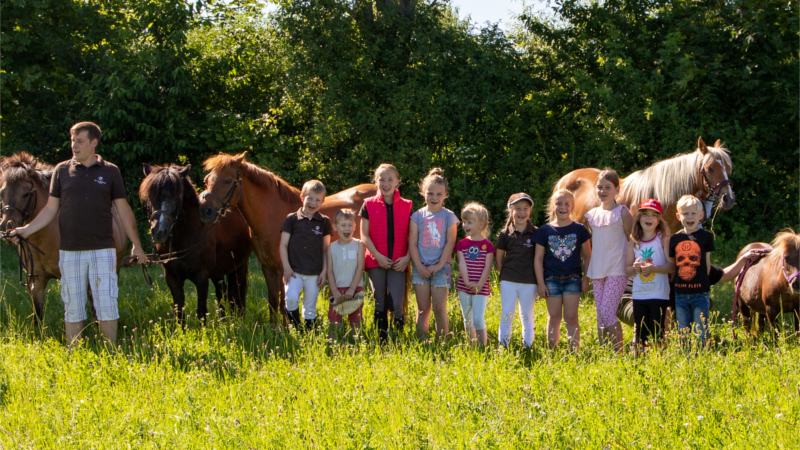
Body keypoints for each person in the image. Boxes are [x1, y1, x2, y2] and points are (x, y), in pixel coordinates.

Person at [9, 122, 146, 346]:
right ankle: (74, 353)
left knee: (106, 304)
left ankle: (110, 352)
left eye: (80, 141)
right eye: (72, 141)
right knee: (72, 306)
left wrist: (137, 245)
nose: (74, 145)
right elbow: (50, 209)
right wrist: (25, 230)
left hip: (103, 249)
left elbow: (123, 210)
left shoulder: (110, 171)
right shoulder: (62, 171)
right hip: (70, 251)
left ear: (94, 142)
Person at [360, 163, 413, 342]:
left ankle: (398, 340)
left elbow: (412, 238)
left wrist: (407, 258)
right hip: (376, 261)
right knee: (380, 301)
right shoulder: (368, 205)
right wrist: (377, 256)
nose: (386, 183)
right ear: (376, 181)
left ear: (397, 181)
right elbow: (364, 236)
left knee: (398, 303)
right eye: (382, 179)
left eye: (390, 179)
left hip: (399, 262)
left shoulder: (407, 206)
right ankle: (381, 340)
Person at [534, 189, 592, 350]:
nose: (563, 207)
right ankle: (553, 351)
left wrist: (586, 279)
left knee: (571, 317)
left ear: (573, 206)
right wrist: (540, 283)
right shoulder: (544, 231)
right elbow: (538, 258)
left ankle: (574, 352)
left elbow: (588, 255)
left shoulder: (579, 229)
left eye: (567, 204)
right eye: (559, 203)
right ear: (553, 206)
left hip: (573, 279)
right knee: (553, 317)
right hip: (551, 279)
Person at [584, 169, 633, 352]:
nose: (603, 191)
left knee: (607, 311)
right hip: (598, 270)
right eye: (600, 187)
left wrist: (630, 265)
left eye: (608, 187)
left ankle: (618, 351)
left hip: (617, 269)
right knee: (600, 314)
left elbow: (632, 240)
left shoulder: (623, 212)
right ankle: (605, 353)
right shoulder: (591, 215)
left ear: (617, 190)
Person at [409, 168, 459, 339]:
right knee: (423, 309)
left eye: (439, 194)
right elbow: (412, 243)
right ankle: (422, 342)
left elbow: (450, 243)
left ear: (445, 195)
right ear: (423, 193)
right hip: (420, 268)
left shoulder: (449, 217)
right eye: (430, 193)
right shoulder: (417, 216)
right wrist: (419, 266)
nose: (434, 198)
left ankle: (443, 342)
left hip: (441, 268)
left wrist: (439, 265)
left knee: (439, 308)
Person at [279, 180, 332, 331]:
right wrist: (287, 268)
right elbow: (283, 245)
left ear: (322, 201)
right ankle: (296, 327)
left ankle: (308, 334)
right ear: (302, 198)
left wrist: (324, 271)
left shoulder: (324, 222)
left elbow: (326, 249)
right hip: (294, 271)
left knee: (310, 305)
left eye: (317, 200)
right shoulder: (291, 219)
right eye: (310, 198)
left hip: (314, 272)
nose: (313, 203)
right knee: (291, 298)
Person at [666, 195, 715, 348]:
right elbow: (673, 266)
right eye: (685, 213)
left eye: (693, 213)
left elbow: (707, 263)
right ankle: (685, 355)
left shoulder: (707, 236)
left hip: (700, 293)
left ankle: (702, 356)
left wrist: (705, 284)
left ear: (701, 215)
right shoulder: (674, 239)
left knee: (701, 329)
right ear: (678, 216)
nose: (689, 217)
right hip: (680, 293)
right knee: (682, 329)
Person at [624, 199, 673, 350]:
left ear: (659, 220)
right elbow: (627, 269)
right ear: (638, 218)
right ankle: (640, 361)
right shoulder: (634, 241)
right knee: (641, 331)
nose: (649, 218)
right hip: (639, 293)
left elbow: (671, 266)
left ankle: (659, 361)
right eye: (645, 214)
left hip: (659, 292)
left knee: (658, 331)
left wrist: (654, 268)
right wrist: (635, 267)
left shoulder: (663, 239)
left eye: (654, 215)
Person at [495, 193, 538, 348]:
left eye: (525, 208)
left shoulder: (536, 233)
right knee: (507, 314)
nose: (522, 212)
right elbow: (499, 258)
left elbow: (540, 259)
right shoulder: (504, 233)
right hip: (509, 280)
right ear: (510, 211)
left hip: (529, 282)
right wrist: (504, 276)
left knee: (527, 315)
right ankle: (503, 348)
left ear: (530, 211)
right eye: (517, 208)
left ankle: (528, 348)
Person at [454, 202, 494, 346]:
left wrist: (479, 284)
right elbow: (462, 263)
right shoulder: (461, 244)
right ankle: (472, 345)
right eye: (464, 222)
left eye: (469, 222)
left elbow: (488, 266)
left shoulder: (488, 245)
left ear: (481, 224)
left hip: (481, 288)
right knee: (468, 319)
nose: (465, 225)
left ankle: (482, 346)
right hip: (464, 286)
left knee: (478, 319)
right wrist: (466, 282)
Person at [326, 209, 365, 339]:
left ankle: (358, 345)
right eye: (343, 225)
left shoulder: (359, 244)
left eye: (349, 225)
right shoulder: (331, 247)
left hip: (355, 289)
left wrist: (352, 289)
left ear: (354, 227)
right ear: (335, 227)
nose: (346, 228)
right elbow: (329, 270)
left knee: (355, 320)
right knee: (335, 321)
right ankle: (333, 346)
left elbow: (360, 267)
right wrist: (334, 290)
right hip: (337, 289)